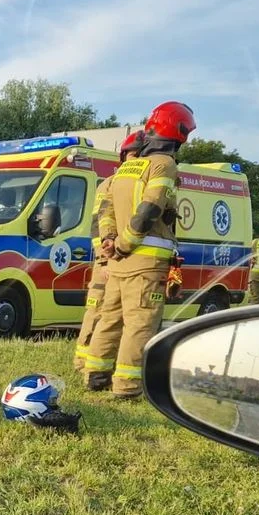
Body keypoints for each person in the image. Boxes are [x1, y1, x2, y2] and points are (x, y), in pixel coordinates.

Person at [83, 102, 193, 398]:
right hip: (144, 263)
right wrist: (124, 242)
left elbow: (105, 211)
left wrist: (109, 242)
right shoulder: (164, 165)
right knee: (140, 324)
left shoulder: (127, 168)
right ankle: (128, 387)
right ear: (178, 132)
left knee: (109, 320)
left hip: (117, 264)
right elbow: (149, 210)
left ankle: (96, 375)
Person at [73, 130, 145, 372]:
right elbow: (100, 223)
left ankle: (99, 364)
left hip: (124, 261)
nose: (139, 159)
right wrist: (105, 261)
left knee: (115, 317)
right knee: (98, 312)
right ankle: (85, 363)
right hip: (108, 261)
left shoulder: (128, 182)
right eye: (136, 154)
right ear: (125, 156)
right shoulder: (111, 184)